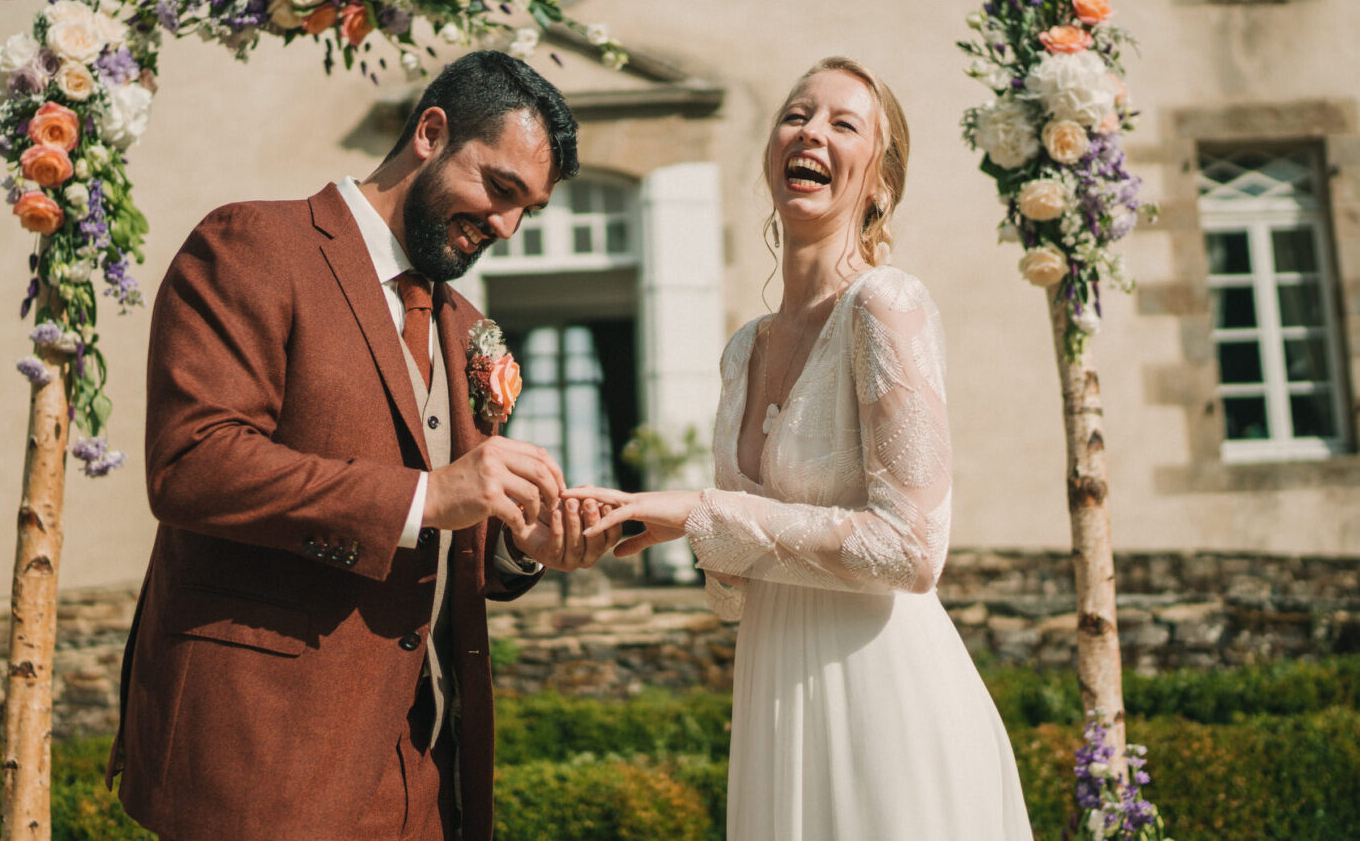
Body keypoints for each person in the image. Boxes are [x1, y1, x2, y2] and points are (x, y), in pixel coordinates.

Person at [108, 50, 621, 841]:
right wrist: (428, 496)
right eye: (499, 188)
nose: (507, 226)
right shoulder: (252, 243)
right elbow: (192, 463)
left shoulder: (467, 326)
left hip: (426, 769)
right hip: (264, 757)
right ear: (430, 132)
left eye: (530, 210)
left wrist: (524, 545)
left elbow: (456, 534)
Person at [574, 58, 1032, 839]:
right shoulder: (742, 351)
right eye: (797, 114)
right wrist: (671, 528)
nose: (812, 131)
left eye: (843, 123)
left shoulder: (885, 307)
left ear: (880, 183)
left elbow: (913, 549)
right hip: (777, 696)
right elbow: (734, 591)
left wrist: (702, 512)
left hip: (884, 695)